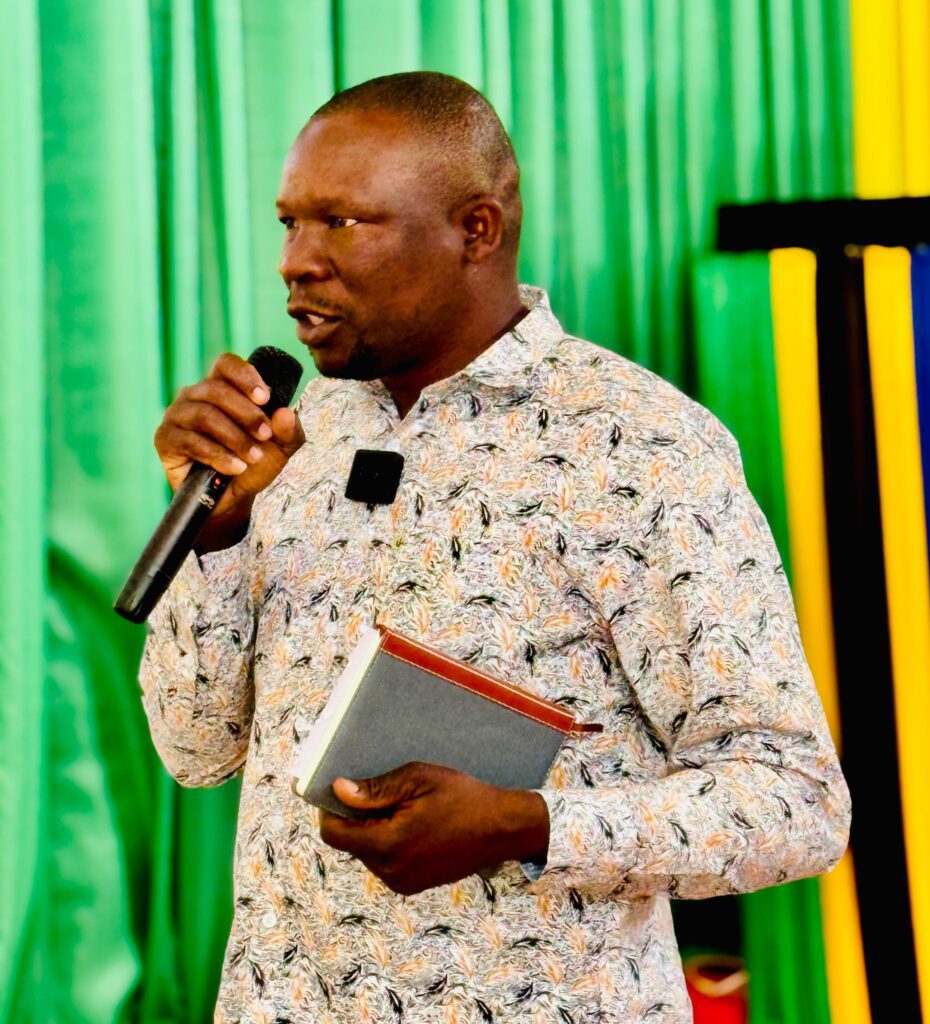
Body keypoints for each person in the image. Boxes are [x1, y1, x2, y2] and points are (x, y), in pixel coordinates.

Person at [140, 71, 851, 1024]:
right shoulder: (292, 440)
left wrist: (530, 826)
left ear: (475, 230)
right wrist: (217, 536)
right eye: (289, 223)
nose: (295, 262)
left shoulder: (641, 447)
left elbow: (796, 802)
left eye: (343, 222)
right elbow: (194, 750)